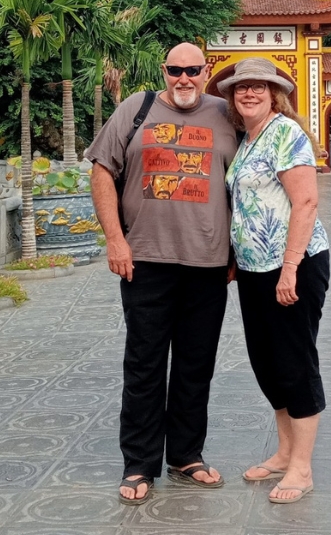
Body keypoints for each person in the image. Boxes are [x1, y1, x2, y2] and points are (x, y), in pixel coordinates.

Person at [87, 42, 239, 505]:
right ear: (165, 71)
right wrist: (115, 239)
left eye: (194, 70)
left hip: (208, 264)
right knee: (145, 364)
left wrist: (240, 251)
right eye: (176, 70)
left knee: (196, 366)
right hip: (146, 261)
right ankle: (139, 463)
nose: (185, 78)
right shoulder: (137, 108)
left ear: (205, 70)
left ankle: (186, 455)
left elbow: (251, 178)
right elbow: (100, 169)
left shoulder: (225, 114)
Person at [218, 56, 331, 505]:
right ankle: (284, 453)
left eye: (258, 87)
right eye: (241, 87)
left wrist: (289, 269)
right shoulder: (248, 139)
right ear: (232, 96)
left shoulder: (284, 133)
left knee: (294, 361)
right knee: (267, 363)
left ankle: (301, 468)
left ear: (274, 94)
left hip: (293, 267)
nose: (249, 92)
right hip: (253, 269)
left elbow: (305, 203)